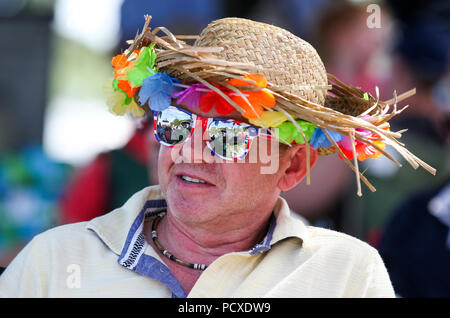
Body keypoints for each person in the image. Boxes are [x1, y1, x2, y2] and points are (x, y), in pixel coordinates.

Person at [0, 15, 433, 298]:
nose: (189, 149)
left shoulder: (346, 273)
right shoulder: (53, 262)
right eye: (176, 124)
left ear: (293, 166)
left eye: (226, 135)